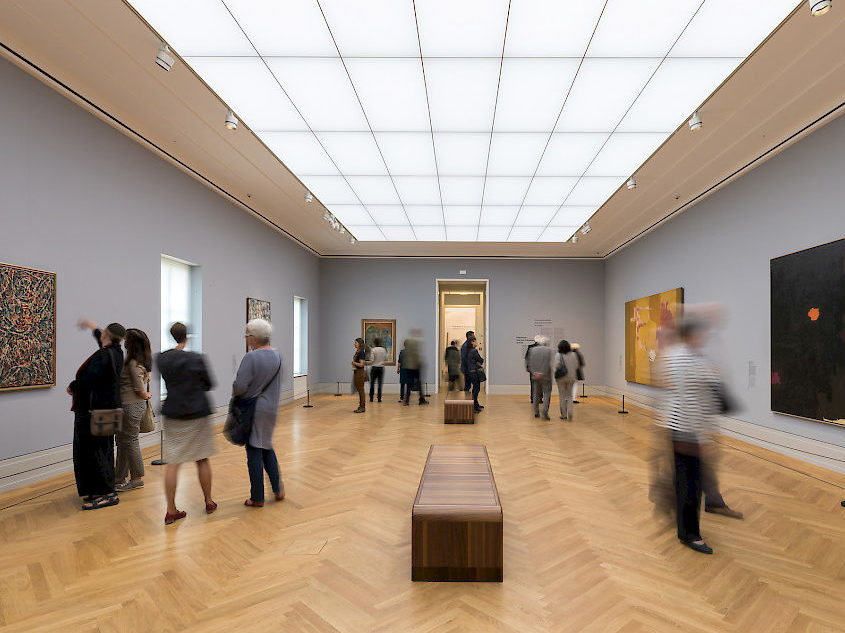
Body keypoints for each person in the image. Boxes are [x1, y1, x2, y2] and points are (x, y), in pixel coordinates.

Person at [661, 317, 718, 554]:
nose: (703, 338)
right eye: (700, 334)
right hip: (685, 427)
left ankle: (686, 529)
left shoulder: (680, 355)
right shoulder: (683, 358)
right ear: (691, 335)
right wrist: (701, 438)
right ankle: (690, 534)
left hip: (682, 426)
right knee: (690, 483)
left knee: (687, 480)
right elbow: (688, 398)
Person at [156, 322, 216, 525]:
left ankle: (171, 510)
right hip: (198, 411)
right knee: (202, 459)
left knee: (173, 462)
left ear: (172, 336)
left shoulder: (162, 358)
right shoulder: (196, 359)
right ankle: (208, 501)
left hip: (173, 412)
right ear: (186, 337)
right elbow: (209, 384)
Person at [68, 319, 125, 510]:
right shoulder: (116, 352)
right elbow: (102, 341)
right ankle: (99, 490)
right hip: (107, 410)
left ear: (107, 335)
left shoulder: (104, 356)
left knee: (95, 452)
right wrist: (92, 326)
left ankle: (107, 494)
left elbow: (87, 380)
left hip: (94, 412)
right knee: (101, 450)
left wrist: (72, 387)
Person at [234, 318, 284, 507]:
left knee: (254, 449)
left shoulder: (251, 357)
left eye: (247, 335)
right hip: (271, 408)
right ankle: (278, 489)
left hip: (254, 409)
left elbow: (240, 386)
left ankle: (257, 497)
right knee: (266, 445)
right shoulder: (277, 356)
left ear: (254, 338)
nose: (246, 339)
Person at [115, 328, 152, 492]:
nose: (124, 342)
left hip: (131, 407)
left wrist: (146, 394)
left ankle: (136, 478)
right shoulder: (140, 361)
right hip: (128, 406)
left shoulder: (133, 363)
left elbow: (139, 389)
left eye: (126, 339)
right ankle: (118, 477)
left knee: (130, 442)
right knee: (123, 442)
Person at [527, 336, 555, 420]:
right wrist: (542, 373)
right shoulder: (549, 350)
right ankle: (545, 412)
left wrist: (534, 372)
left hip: (535, 376)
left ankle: (536, 412)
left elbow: (529, 363)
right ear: (546, 343)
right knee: (546, 394)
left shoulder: (532, 350)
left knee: (536, 394)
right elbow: (548, 363)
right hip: (546, 376)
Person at [555, 340, 579, 421]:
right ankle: (570, 412)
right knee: (569, 396)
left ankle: (564, 415)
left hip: (561, 378)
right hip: (571, 377)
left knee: (562, 396)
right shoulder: (574, 355)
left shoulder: (558, 355)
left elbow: (556, 366)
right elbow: (576, 366)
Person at [402, 334, 428, 406]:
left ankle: (406, 401)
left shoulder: (405, 352)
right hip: (415, 368)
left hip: (408, 369)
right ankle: (421, 400)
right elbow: (417, 359)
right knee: (419, 385)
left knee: (409, 385)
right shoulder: (414, 351)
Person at [466, 338, 485, 413]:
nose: (477, 342)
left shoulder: (469, 350)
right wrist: (480, 362)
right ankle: (474, 407)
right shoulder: (474, 350)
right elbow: (480, 359)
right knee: (476, 390)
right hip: (474, 372)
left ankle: (476, 405)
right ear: (472, 342)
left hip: (471, 372)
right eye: (475, 341)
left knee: (475, 389)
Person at [351, 337, 367, 413]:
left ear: (359, 344)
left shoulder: (361, 353)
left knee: (361, 390)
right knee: (360, 390)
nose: (354, 344)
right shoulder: (358, 352)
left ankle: (362, 407)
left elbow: (361, 364)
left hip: (360, 373)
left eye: (356, 343)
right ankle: (361, 406)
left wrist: (354, 363)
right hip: (357, 372)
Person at [368, 337, 386, 403]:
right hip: (381, 367)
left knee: (372, 383)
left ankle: (371, 398)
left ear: (374, 343)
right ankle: (379, 398)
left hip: (374, 367)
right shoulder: (384, 350)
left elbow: (372, 360)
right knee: (380, 384)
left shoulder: (373, 350)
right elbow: (385, 358)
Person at [525, 335, 541, 404]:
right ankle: (539, 399)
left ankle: (532, 399)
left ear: (534, 340)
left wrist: (528, 367)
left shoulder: (530, 347)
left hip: (532, 368)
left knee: (533, 384)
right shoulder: (542, 347)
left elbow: (527, 357)